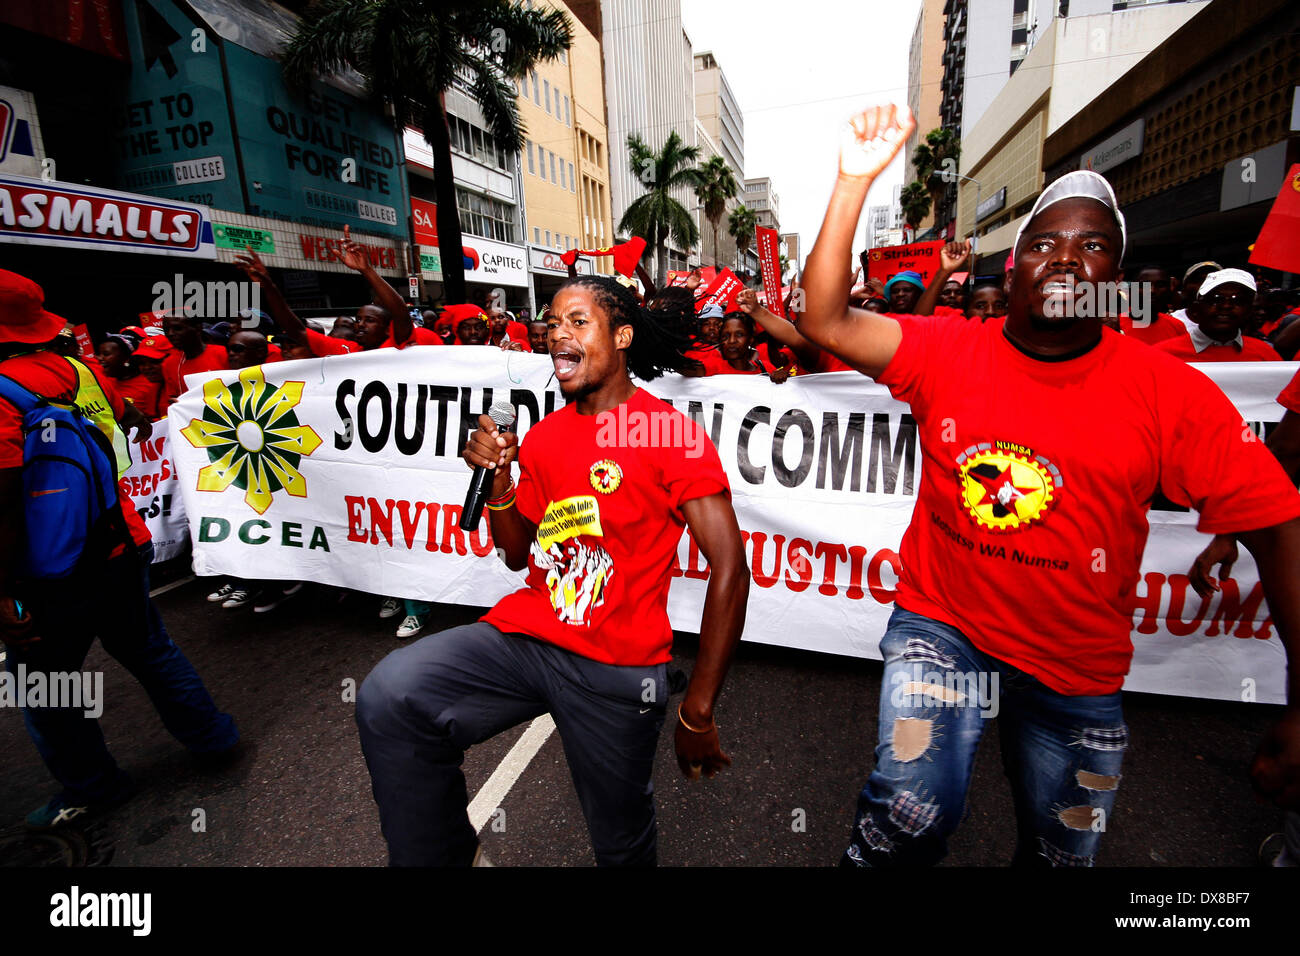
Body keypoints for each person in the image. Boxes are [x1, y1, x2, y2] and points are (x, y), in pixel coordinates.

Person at [798, 103, 1300, 867]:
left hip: (1076, 666)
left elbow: (1276, 525)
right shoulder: (946, 350)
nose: (1065, 260)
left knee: (1065, 849)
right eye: (1045, 243)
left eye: (1092, 246)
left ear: (1115, 281)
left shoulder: (1171, 392)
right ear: (1016, 265)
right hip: (941, 629)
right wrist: (851, 182)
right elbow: (826, 319)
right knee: (908, 810)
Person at [356, 274, 749, 866]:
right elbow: (518, 554)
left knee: (621, 839)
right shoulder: (543, 435)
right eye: (552, 322)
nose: (556, 333)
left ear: (621, 336)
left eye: (577, 321)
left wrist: (698, 709)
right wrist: (499, 484)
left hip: (618, 666)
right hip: (530, 637)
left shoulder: (669, 433)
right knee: (391, 695)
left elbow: (731, 570)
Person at [0, 269, 239, 828]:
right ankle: (213, 739)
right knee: (151, 651)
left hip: (47, 570)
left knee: (45, 684)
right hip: (121, 541)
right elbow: (130, 421)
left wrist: (3, 589)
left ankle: (92, 785)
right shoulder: (81, 371)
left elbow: (4, 502)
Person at [1154, 269, 1282, 363]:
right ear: (1197, 307)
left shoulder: (1266, 355)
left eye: (1238, 300)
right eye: (1216, 299)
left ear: (1249, 310)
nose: (1226, 306)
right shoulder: (1162, 355)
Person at [96, 334, 161, 421]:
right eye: (99, 354)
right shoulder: (105, 385)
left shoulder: (150, 383)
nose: (100, 358)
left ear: (126, 358)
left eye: (106, 354)